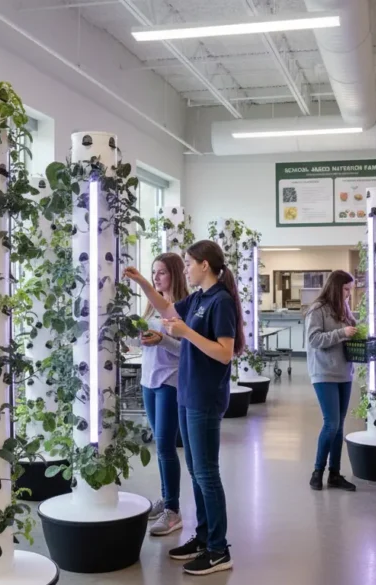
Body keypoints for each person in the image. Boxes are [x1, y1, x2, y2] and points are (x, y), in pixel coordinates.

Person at [124, 240, 242, 576]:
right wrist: (144, 283)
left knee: (206, 473)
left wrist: (186, 332)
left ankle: (219, 549)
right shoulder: (200, 298)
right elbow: (168, 311)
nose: (185, 268)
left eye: (189, 263)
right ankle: (203, 537)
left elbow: (224, 352)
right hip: (188, 394)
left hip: (205, 396)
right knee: (196, 470)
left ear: (205, 265)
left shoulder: (220, 301)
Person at [128, 253, 189, 536]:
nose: (156, 277)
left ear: (175, 274)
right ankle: (166, 498)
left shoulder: (181, 308)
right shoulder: (150, 309)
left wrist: (162, 339)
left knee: (165, 446)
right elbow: (140, 345)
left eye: (162, 272)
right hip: (148, 380)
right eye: (154, 272)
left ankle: (173, 510)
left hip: (170, 381)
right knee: (160, 446)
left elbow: (186, 350)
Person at [305, 270, 358, 492]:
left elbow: (351, 329)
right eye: (346, 290)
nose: (348, 294)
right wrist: (342, 333)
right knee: (331, 423)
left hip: (344, 372)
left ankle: (334, 474)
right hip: (324, 373)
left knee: (339, 427)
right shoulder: (317, 310)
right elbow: (314, 339)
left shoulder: (343, 308)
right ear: (336, 287)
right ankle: (317, 472)